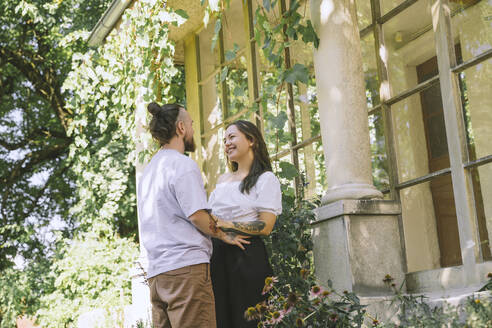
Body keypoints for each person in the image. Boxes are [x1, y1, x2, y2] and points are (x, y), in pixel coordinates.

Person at [137, 102, 250, 328]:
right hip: (185, 272)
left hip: (158, 275)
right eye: (191, 124)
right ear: (180, 128)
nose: (193, 129)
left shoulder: (150, 170)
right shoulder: (182, 165)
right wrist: (224, 236)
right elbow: (197, 216)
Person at [208, 120, 282, 328]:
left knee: (249, 321)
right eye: (224, 140)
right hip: (218, 256)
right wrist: (220, 230)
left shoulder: (266, 179)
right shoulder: (222, 180)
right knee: (220, 319)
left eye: (232, 137)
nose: (227, 144)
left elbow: (265, 226)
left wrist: (227, 224)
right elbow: (209, 218)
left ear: (251, 140)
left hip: (247, 256)